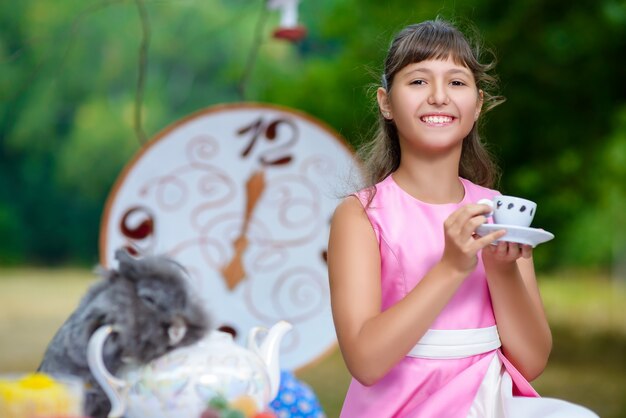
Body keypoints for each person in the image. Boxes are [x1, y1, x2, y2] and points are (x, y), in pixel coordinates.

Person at [327, 18, 599, 418]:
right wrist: (452, 266)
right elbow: (366, 362)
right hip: (400, 406)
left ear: (478, 104)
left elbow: (532, 361)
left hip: (486, 399)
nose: (439, 96)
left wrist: (502, 270)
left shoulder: (498, 208)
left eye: (456, 82)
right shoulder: (360, 215)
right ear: (386, 102)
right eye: (418, 81)